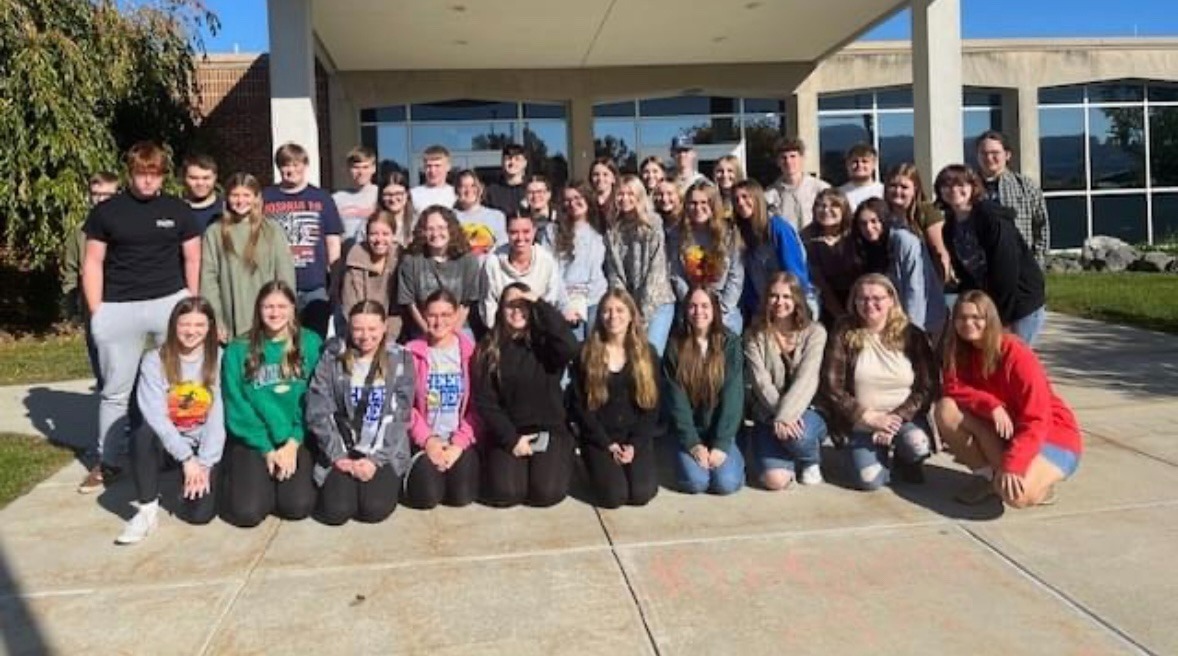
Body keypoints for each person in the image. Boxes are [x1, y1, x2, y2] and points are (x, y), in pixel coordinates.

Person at [80, 141, 201, 494]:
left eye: (154, 174)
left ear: (163, 175)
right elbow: (93, 263)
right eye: (141, 174)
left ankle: (178, 453)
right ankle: (110, 461)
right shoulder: (107, 212)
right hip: (119, 307)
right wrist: (97, 312)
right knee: (115, 391)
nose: (148, 181)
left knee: (179, 384)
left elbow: (193, 258)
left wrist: (191, 304)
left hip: (169, 302)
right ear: (130, 173)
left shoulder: (178, 209)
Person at [935, 291, 1082, 507]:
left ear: (990, 319)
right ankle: (987, 477)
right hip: (1008, 429)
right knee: (946, 409)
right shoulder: (959, 351)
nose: (968, 323)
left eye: (977, 318)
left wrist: (1014, 464)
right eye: (962, 318)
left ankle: (1041, 485)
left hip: (1051, 434)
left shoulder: (1016, 354)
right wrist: (991, 405)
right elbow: (952, 387)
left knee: (1016, 496)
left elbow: (1038, 418)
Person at [116, 297, 224, 544]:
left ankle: (192, 481)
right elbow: (155, 415)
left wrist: (204, 463)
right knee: (141, 433)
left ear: (210, 328)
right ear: (174, 325)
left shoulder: (219, 358)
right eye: (185, 324)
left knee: (200, 515)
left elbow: (218, 417)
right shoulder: (155, 360)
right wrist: (186, 459)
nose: (192, 331)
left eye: (200, 325)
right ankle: (147, 510)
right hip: (167, 443)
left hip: (203, 442)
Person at [820, 274, 939, 490]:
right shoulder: (843, 332)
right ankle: (873, 458)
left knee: (917, 444)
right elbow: (832, 387)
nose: (869, 304)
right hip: (860, 419)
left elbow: (928, 386)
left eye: (877, 298)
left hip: (902, 418)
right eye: (862, 298)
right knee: (869, 481)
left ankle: (906, 460)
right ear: (854, 301)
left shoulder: (912, 335)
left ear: (891, 300)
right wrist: (868, 417)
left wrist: (895, 420)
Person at [220, 280, 322, 527]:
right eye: (268, 307)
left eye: (281, 306)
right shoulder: (238, 349)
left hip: (295, 438)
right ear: (258, 309)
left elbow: (315, 398)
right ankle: (240, 477)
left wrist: (293, 442)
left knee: (297, 506)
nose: (275, 313)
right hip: (254, 439)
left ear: (292, 309)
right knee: (248, 513)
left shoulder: (311, 343)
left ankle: (278, 481)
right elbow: (237, 404)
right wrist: (266, 448)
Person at [305, 300, 413, 525]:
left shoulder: (400, 358)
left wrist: (375, 460)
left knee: (373, 509)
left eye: (372, 329)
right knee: (337, 511)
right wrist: (337, 455)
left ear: (384, 327)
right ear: (349, 329)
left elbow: (399, 414)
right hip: (342, 448)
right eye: (358, 329)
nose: (365, 336)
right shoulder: (332, 357)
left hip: (381, 451)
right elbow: (318, 408)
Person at [475, 283, 579, 507]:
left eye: (523, 306)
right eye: (510, 306)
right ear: (500, 310)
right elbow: (486, 402)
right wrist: (511, 439)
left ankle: (561, 458)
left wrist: (540, 303)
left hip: (548, 427)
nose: (516, 311)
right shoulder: (488, 347)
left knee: (545, 493)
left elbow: (570, 347)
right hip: (510, 430)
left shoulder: (545, 343)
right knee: (507, 493)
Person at [568, 290, 661, 508]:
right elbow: (580, 406)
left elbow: (653, 406)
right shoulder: (586, 353)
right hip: (600, 438)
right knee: (614, 496)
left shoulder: (647, 354)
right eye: (606, 311)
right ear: (599, 316)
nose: (613, 316)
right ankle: (588, 467)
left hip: (634, 437)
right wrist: (606, 443)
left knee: (640, 494)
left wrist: (635, 445)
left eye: (620, 310)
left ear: (631, 315)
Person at [935, 165, 1047, 346]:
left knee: (1011, 359)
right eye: (947, 185)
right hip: (988, 305)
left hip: (1018, 304)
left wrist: (1001, 319)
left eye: (961, 184)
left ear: (973, 187)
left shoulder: (990, 218)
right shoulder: (950, 228)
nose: (954, 190)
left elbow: (1006, 271)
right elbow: (966, 276)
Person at [744, 273, 828, 490]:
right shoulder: (754, 335)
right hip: (767, 413)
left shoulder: (815, 332)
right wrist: (780, 417)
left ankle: (810, 459)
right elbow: (760, 382)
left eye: (786, 297)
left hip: (806, 410)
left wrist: (786, 416)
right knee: (775, 481)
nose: (780, 302)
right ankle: (788, 456)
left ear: (797, 299)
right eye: (774, 296)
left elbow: (807, 379)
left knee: (797, 439)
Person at [664, 286, 745, 495]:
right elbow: (676, 400)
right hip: (692, 433)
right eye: (692, 306)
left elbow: (733, 396)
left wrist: (721, 444)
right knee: (696, 483)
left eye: (704, 306)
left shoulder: (730, 343)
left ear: (714, 310)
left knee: (726, 484)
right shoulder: (675, 345)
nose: (698, 311)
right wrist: (692, 444)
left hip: (720, 431)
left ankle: (737, 461)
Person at [403, 290, 481, 509]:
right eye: (433, 315)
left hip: (458, 439)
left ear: (456, 316)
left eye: (446, 315)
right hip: (425, 439)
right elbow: (404, 406)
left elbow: (477, 408)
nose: (439, 322)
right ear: (423, 316)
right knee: (427, 497)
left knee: (461, 497)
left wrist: (458, 444)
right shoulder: (410, 353)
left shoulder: (471, 353)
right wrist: (428, 441)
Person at [261, 142, 344, 338]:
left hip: (314, 285)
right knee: (280, 340)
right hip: (278, 285)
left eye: (296, 164)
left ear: (305, 165)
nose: (291, 170)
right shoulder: (265, 198)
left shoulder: (322, 198)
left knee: (314, 341)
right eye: (285, 165)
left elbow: (333, 243)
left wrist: (334, 282)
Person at [201, 172, 296, 341]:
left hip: (268, 314)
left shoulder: (271, 230)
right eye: (235, 195)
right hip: (231, 315)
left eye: (246, 195)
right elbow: (208, 279)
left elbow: (285, 273)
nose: (240, 201)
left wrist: (286, 312)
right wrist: (215, 319)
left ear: (256, 198)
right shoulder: (214, 232)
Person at [851, 198, 947, 341]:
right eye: (863, 223)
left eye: (874, 221)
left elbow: (915, 288)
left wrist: (913, 332)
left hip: (924, 318)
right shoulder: (863, 246)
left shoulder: (904, 241)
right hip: (889, 320)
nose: (869, 228)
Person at [604, 176, 677, 356]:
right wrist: (625, 307)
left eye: (631, 193)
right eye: (620, 194)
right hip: (629, 305)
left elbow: (656, 271)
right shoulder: (613, 229)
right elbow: (614, 273)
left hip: (657, 302)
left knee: (651, 355)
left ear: (640, 196)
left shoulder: (653, 223)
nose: (625, 198)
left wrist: (641, 316)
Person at [61, 171, 119, 386]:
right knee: (99, 360)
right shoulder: (79, 233)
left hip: (124, 302)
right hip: (92, 307)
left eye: (107, 195)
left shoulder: (130, 227)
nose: (101, 200)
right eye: (96, 194)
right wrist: (71, 309)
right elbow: (70, 271)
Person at [667, 180, 745, 334]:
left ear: (713, 205)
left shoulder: (729, 233)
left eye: (704, 202)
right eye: (693, 203)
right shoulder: (677, 234)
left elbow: (736, 277)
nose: (698, 208)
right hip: (691, 305)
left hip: (724, 306)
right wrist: (693, 304)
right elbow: (676, 274)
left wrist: (719, 309)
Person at [731, 179, 813, 323]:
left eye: (745, 197)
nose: (741, 203)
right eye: (736, 199)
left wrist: (796, 306)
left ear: (757, 197)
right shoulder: (741, 233)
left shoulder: (778, 228)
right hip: (762, 308)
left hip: (790, 305)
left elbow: (794, 271)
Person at [395, 205, 482, 338]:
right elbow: (410, 304)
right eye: (430, 229)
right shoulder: (411, 261)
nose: (436, 234)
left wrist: (451, 334)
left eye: (441, 228)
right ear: (422, 232)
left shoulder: (468, 260)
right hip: (422, 328)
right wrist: (429, 332)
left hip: (458, 327)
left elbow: (466, 303)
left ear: (451, 230)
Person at [975, 130, 1050, 268]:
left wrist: (1037, 263)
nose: (989, 158)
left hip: (1020, 266)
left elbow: (1041, 227)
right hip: (980, 267)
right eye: (984, 153)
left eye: (995, 153)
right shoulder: (967, 188)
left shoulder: (1026, 187)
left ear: (1007, 155)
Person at [481, 213, 565, 328]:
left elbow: (550, 302)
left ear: (534, 231)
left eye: (526, 232)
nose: (520, 238)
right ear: (507, 232)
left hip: (539, 329)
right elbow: (488, 305)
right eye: (514, 232)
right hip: (504, 332)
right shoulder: (493, 263)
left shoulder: (546, 261)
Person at [549, 181, 608, 340]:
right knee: (573, 352)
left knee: (595, 354)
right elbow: (550, 272)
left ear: (588, 198)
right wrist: (565, 304)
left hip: (596, 299)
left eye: (577, 197)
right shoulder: (552, 231)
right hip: (567, 300)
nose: (572, 203)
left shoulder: (601, 230)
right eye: (567, 200)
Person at [884, 163, 951, 284]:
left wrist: (941, 283)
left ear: (915, 189)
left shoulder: (926, 211)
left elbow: (940, 251)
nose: (898, 191)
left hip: (924, 279)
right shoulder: (882, 214)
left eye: (904, 187)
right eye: (893, 186)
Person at [340, 211, 402, 340]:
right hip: (359, 333)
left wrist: (386, 337)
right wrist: (366, 334)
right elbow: (350, 306)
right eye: (374, 234)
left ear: (393, 235)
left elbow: (398, 310)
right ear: (366, 235)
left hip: (393, 333)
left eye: (385, 234)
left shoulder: (401, 261)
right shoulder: (354, 261)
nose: (379, 240)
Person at [803, 189, 860, 329]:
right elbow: (819, 282)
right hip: (826, 307)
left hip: (859, 301)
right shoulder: (807, 240)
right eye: (821, 206)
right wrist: (841, 316)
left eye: (834, 205)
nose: (826, 210)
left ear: (844, 208)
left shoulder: (856, 235)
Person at [765, 137, 830, 231]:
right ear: (778, 162)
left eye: (793, 156)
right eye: (783, 157)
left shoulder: (821, 188)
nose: (788, 161)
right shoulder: (770, 194)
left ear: (802, 158)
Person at [454, 169, 508, 259]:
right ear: (457, 190)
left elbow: (502, 248)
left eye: (473, 186)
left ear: (481, 189)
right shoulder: (450, 217)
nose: (468, 190)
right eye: (463, 186)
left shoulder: (497, 216)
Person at [332, 146, 378, 243]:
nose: (361, 172)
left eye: (365, 167)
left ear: (373, 169)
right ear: (348, 169)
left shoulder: (381, 195)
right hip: (347, 253)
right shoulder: (336, 199)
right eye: (356, 168)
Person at [181, 154, 224, 231]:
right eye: (193, 178)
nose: (200, 183)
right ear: (183, 178)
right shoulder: (173, 210)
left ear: (215, 178)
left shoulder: (226, 209)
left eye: (206, 178)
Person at [484, 143, 528, 217]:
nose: (512, 162)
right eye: (508, 158)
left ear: (525, 163)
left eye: (517, 159)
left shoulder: (531, 188)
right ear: (502, 162)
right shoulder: (491, 191)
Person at [837, 143, 885, 211]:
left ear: (874, 165)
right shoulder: (839, 193)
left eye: (864, 161)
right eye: (855, 161)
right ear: (847, 164)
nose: (859, 165)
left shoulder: (883, 192)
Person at [374, 170, 417, 245]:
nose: (393, 199)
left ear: (407, 194)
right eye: (388, 194)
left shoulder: (418, 222)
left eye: (398, 193)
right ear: (381, 196)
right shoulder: (372, 221)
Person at [410, 145, 457, 212]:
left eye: (437, 166)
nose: (432, 171)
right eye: (429, 166)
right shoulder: (413, 195)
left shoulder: (456, 194)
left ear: (448, 167)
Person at [524, 175, 559, 243]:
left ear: (549, 194)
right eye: (530, 192)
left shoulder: (560, 219)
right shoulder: (520, 218)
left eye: (540, 191)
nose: (535, 196)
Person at [712, 155, 745, 221]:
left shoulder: (746, 198)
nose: (725, 175)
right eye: (720, 171)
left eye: (730, 171)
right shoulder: (711, 199)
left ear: (738, 173)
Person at [589, 157, 619, 231]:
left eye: (605, 174)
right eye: (596, 175)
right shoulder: (587, 204)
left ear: (613, 179)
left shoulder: (619, 202)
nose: (600, 179)